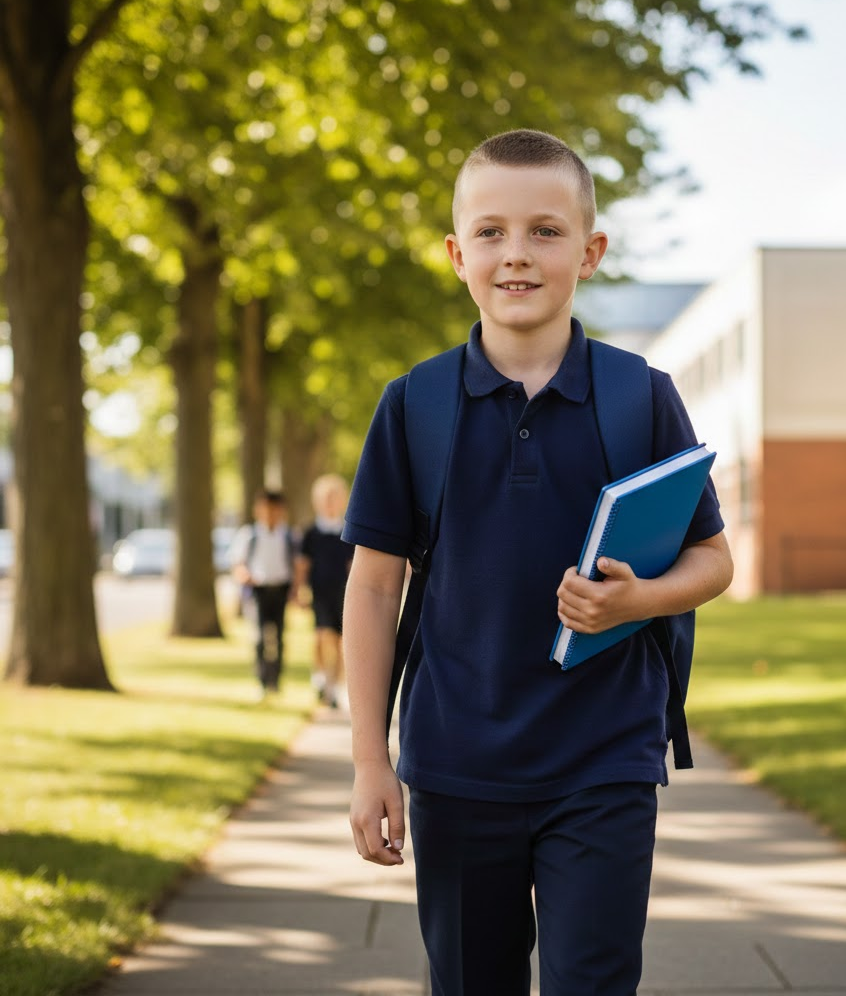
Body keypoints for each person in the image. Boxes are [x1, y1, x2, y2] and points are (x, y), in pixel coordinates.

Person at [343, 129, 733, 995]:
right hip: (453, 763)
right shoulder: (413, 405)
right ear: (456, 254)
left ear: (589, 251)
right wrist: (371, 759)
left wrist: (642, 601)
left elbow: (713, 559)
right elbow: (373, 588)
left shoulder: (642, 395)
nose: (515, 254)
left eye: (545, 231)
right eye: (490, 232)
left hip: (605, 761)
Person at [294, 474, 355, 710]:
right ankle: (319, 675)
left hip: (343, 592)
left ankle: (335, 686)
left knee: (340, 640)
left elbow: (354, 565)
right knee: (321, 635)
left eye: (335, 497)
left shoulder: (348, 531)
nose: (330, 502)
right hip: (319, 591)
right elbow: (302, 564)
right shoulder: (311, 533)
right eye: (326, 498)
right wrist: (297, 590)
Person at [230, 489, 296, 697]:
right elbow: (238, 564)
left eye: (275, 509)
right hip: (259, 591)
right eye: (266, 509)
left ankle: (276, 680)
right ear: (257, 510)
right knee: (259, 637)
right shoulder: (249, 535)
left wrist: (295, 590)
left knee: (279, 637)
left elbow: (295, 564)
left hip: (281, 590)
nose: (270, 513)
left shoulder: (287, 536)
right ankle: (261, 679)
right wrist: (245, 576)